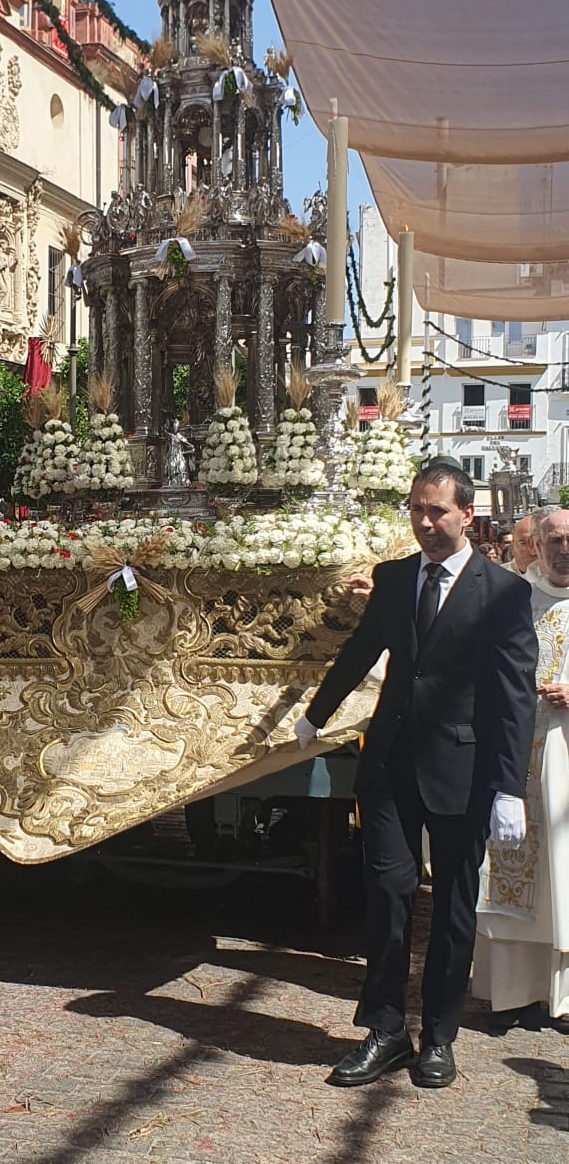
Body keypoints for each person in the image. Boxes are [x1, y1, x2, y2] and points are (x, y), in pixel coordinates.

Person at [294, 461, 537, 1089]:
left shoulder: (504, 592)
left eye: (438, 512)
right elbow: (364, 647)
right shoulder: (395, 578)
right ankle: (385, 1030)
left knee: (454, 907)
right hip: (393, 765)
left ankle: (439, 1036)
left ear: (466, 516)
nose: (426, 523)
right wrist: (315, 715)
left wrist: (509, 787)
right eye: (417, 511)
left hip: (466, 769)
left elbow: (515, 695)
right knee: (388, 895)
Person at [473, 505, 569, 1031]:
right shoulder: (512, 598)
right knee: (511, 872)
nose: (564, 549)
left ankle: (564, 996)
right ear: (536, 544)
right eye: (553, 539)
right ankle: (514, 993)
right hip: (516, 760)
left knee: (566, 879)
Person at [503, 515, 537, 580]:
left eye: (538, 543)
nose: (533, 551)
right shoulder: (495, 580)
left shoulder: (561, 581)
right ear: (513, 547)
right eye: (524, 543)